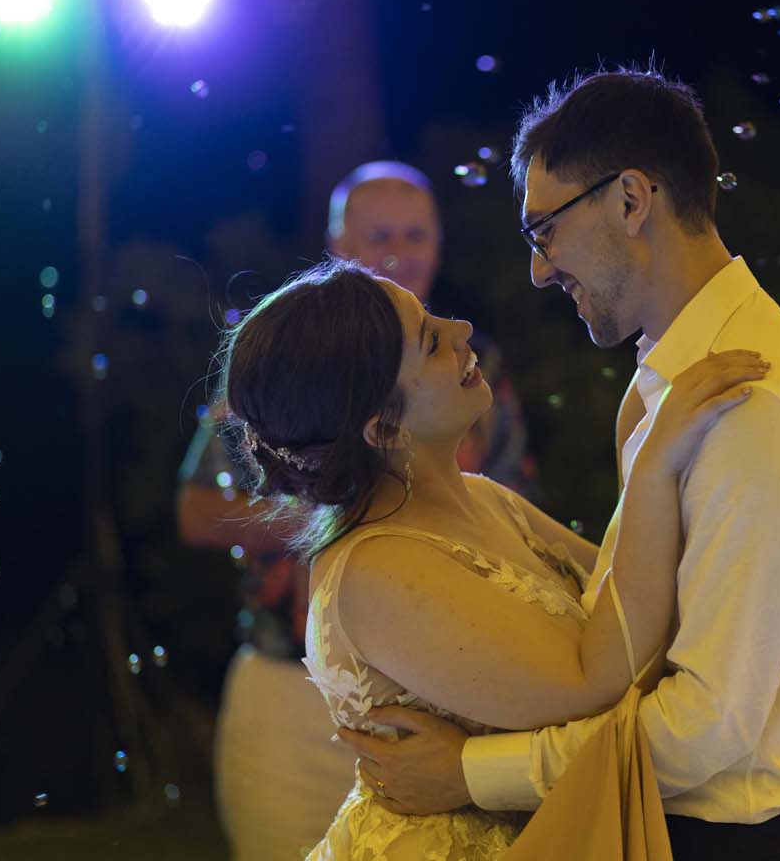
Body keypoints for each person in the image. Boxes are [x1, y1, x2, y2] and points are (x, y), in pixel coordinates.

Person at [335, 68, 780, 861]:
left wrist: (469, 772)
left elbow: (705, 730)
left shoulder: (748, 405)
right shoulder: (680, 377)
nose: (540, 270)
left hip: (723, 839)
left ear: (629, 200)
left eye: (543, 230)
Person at [216, 257, 768, 859]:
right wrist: (653, 461)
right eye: (431, 341)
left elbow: (635, 602)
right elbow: (598, 679)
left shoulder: (483, 497)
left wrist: (638, 437)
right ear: (382, 429)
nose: (462, 330)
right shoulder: (374, 571)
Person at [176, 161, 536, 860]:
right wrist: (353, 506)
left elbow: (516, 506)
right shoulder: (289, 357)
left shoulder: (471, 363)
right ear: (338, 243)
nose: (399, 253)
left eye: (416, 234)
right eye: (379, 235)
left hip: (444, 691)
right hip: (291, 688)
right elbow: (196, 510)